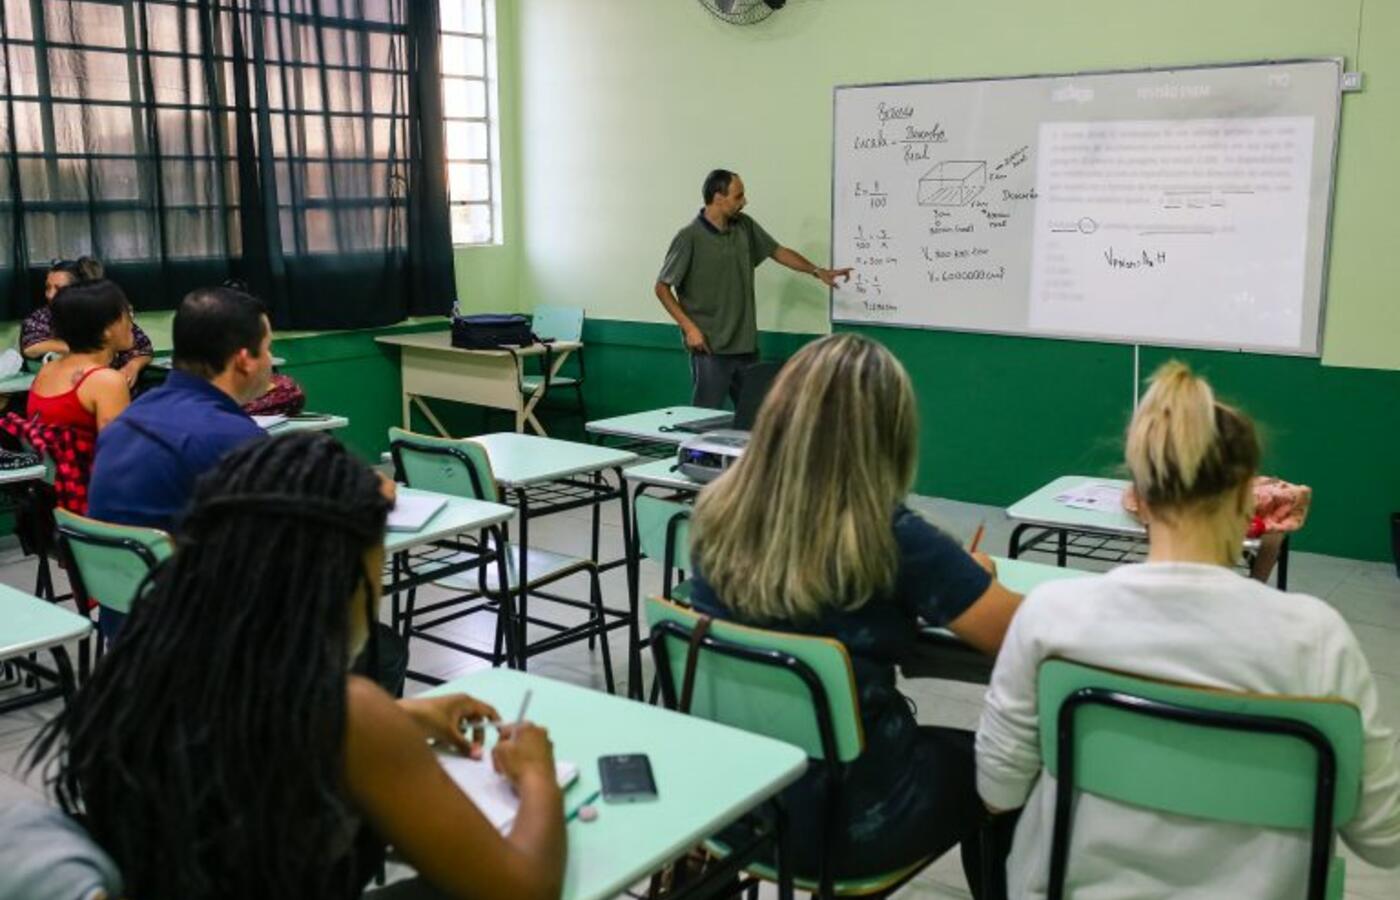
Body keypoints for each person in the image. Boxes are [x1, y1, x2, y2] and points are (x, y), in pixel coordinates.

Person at [29, 433, 567, 900]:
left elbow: (254, 737)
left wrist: (408, 717)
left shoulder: (151, 652)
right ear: (341, 572)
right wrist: (537, 773)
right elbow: (526, 889)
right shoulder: (349, 714)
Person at [975, 361, 1400, 898]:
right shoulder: (1317, 639)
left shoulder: (1052, 615)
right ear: (1251, 499)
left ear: (1137, 499)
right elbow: (1386, 839)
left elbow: (997, 790)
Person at [687, 333, 1022, 886]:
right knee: (1012, 770)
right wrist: (970, 578)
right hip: (848, 820)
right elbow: (1017, 633)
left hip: (735, 800)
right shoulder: (891, 537)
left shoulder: (714, 514)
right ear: (887, 433)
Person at [655, 169, 853, 408]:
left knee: (756, 416)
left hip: (746, 347)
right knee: (703, 420)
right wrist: (689, 328)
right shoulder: (689, 237)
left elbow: (777, 251)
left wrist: (816, 271)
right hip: (710, 348)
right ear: (718, 197)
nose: (745, 201)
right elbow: (662, 287)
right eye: (738, 196)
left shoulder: (744, 226)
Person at [87, 284, 273, 533]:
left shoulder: (127, 420)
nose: (270, 359)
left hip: (114, 570)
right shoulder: (238, 441)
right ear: (245, 360)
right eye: (267, 348)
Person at [6, 280, 135, 514]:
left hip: (54, 503)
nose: (131, 322)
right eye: (127, 314)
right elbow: (118, 459)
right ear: (107, 329)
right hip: (93, 504)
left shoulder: (47, 370)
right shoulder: (106, 380)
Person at [22, 257, 154, 386]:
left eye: (59, 289)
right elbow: (31, 347)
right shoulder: (43, 317)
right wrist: (82, 347)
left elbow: (142, 347)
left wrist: (133, 366)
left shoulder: (106, 315)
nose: (50, 295)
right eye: (48, 288)